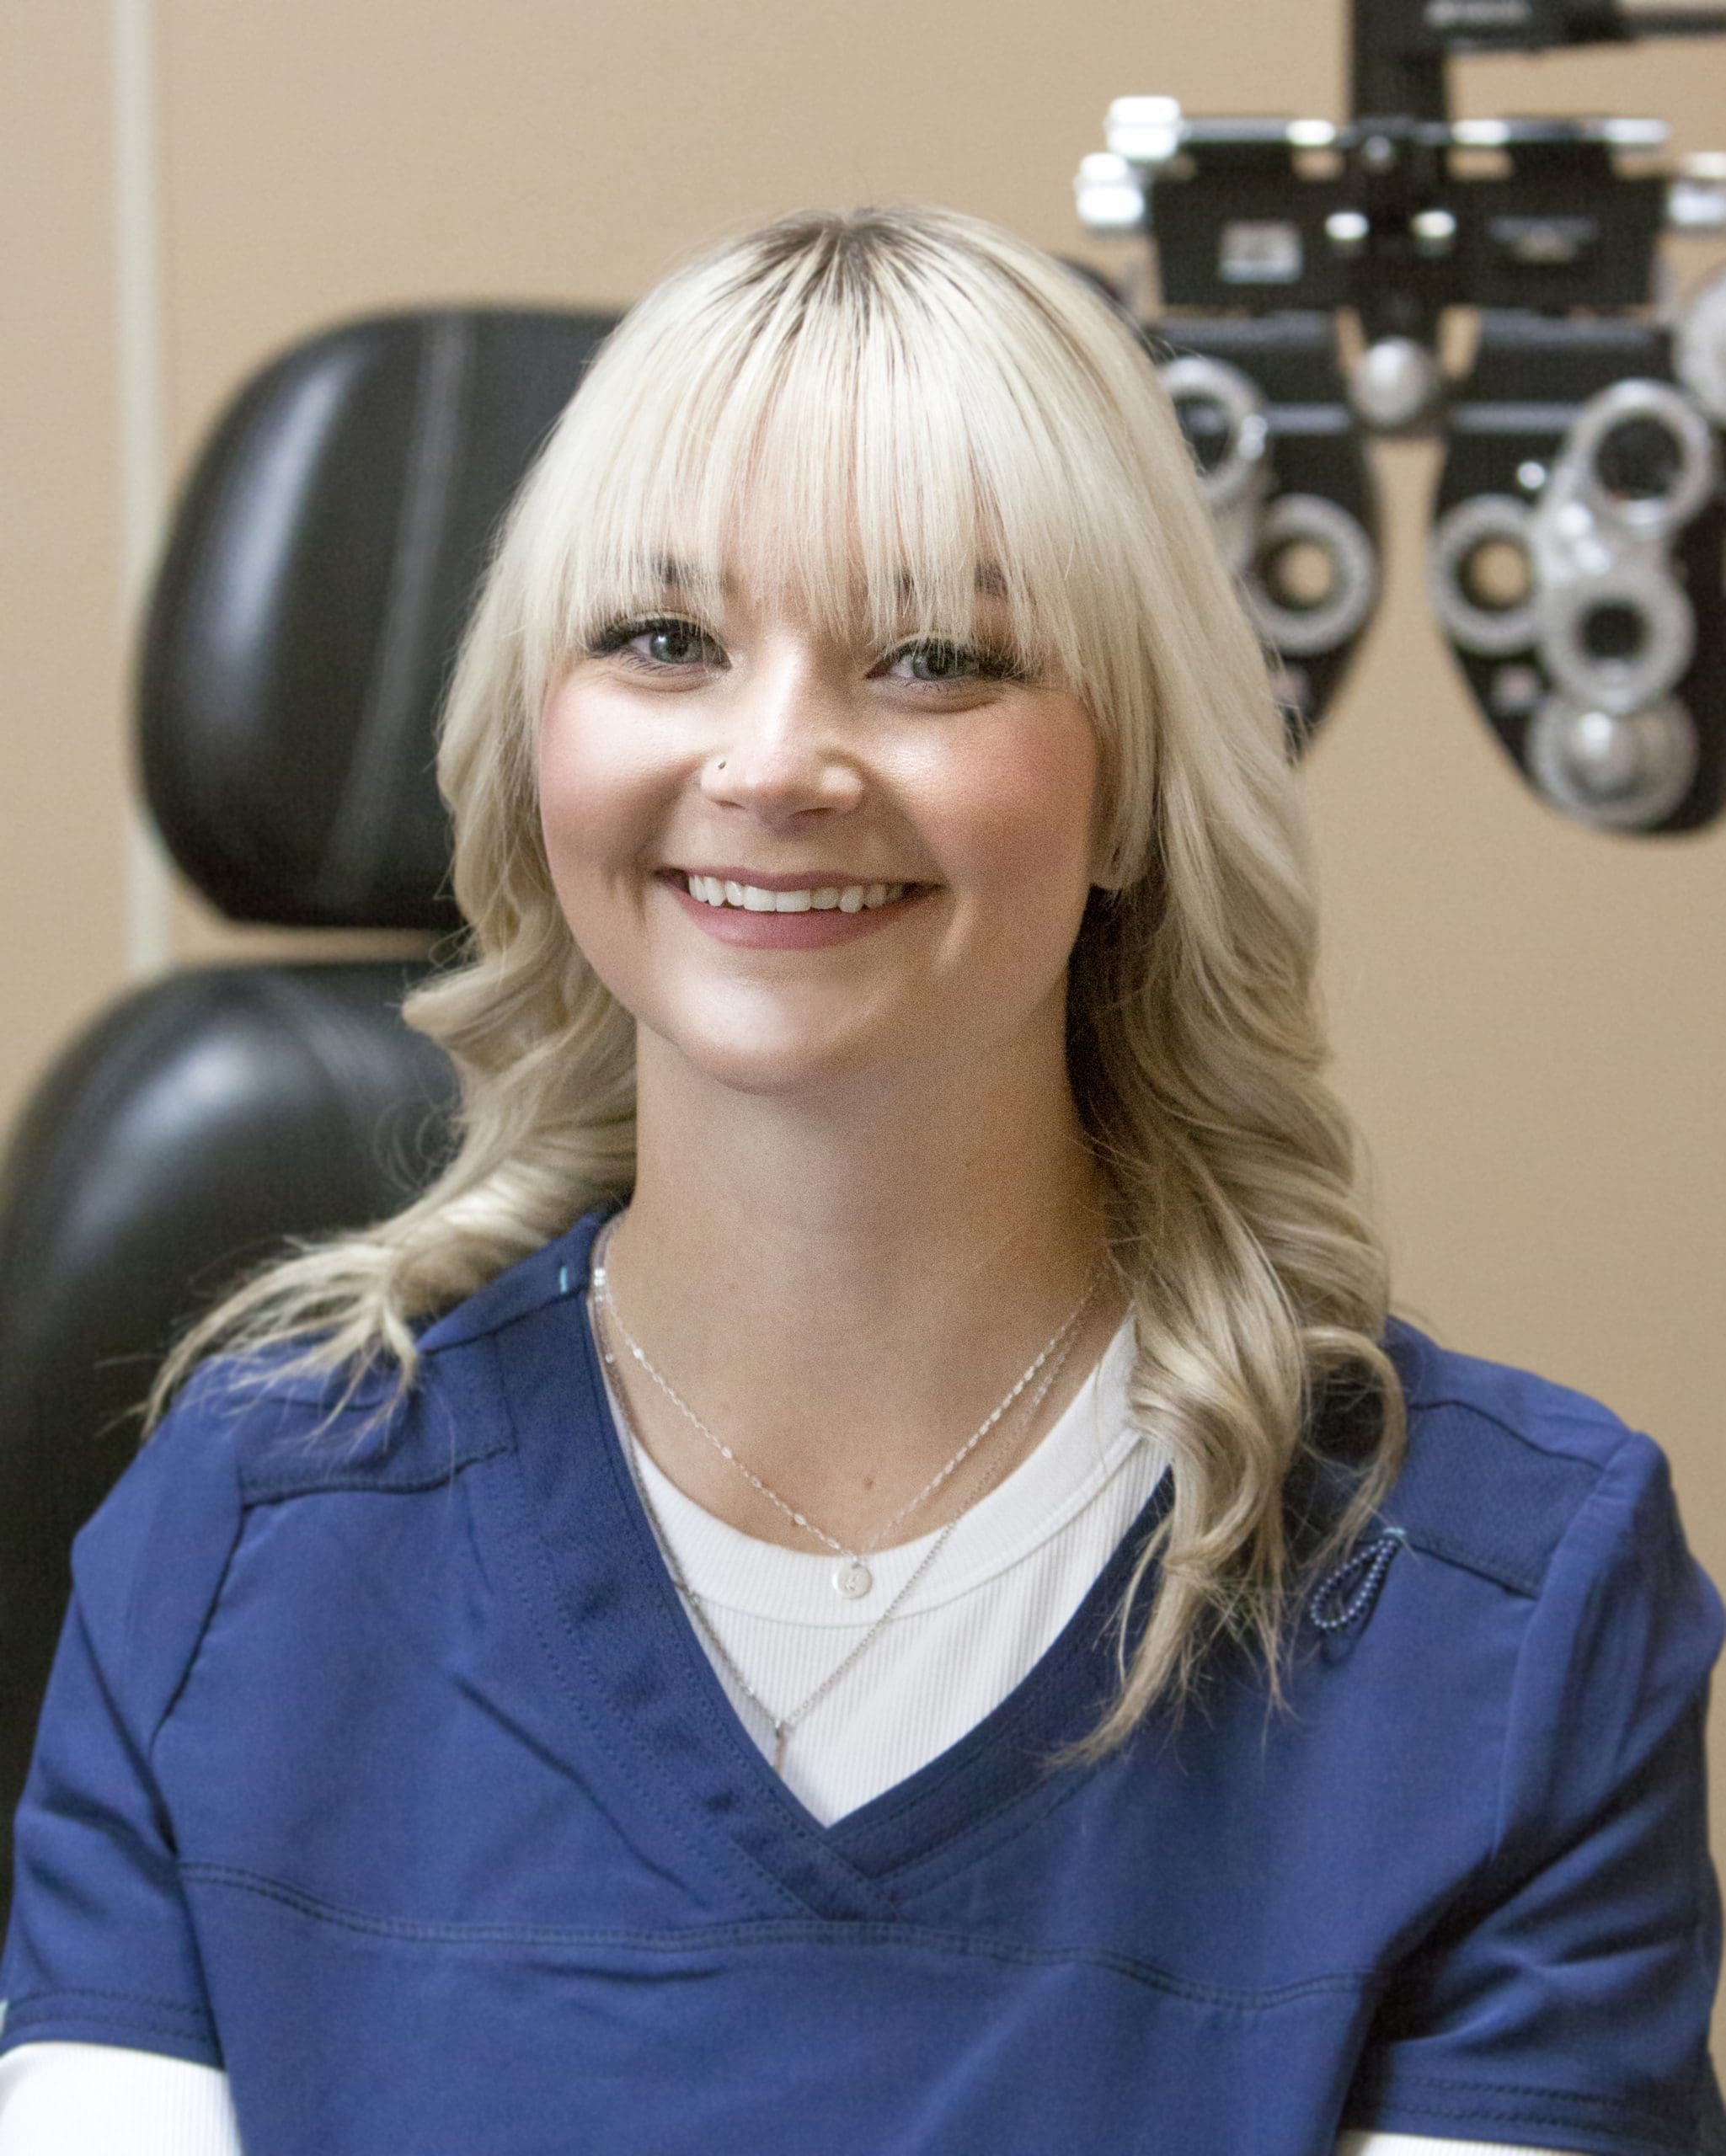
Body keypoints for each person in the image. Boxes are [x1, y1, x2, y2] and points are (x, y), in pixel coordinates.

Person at [0, 202, 1719, 2156]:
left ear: (1131, 788)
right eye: (663, 639)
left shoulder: (1489, 1608)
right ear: (534, 742)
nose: (774, 757)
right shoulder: (241, 1543)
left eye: (932, 656)